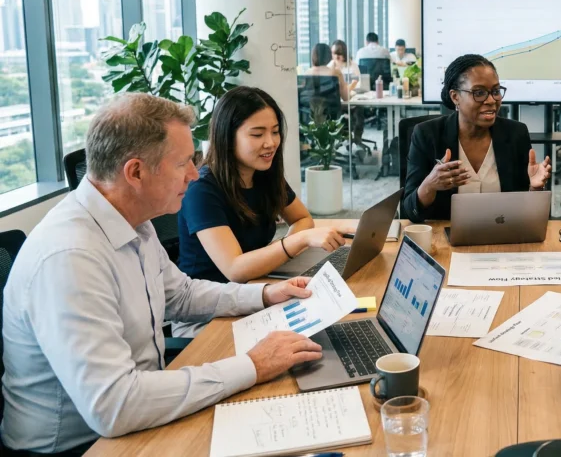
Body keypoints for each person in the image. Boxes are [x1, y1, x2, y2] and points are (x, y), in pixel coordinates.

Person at [1, 94, 323, 455]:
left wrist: (263, 296)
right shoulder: (70, 258)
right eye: (183, 162)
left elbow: (179, 294)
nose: (193, 174)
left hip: (140, 407)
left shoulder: (132, 220)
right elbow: (114, 406)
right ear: (135, 172)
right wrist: (251, 365)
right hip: (82, 446)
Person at [177, 86, 350, 288]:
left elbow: (302, 219)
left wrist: (277, 255)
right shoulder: (201, 189)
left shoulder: (263, 173)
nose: (270, 143)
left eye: (275, 132)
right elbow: (235, 269)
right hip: (209, 309)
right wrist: (295, 243)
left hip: (256, 287)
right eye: (258, 135)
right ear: (228, 137)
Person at [403, 54, 552, 222]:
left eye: (495, 91)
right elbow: (409, 211)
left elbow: (528, 214)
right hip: (445, 240)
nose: (491, 100)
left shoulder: (516, 133)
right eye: (479, 93)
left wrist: (534, 188)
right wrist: (429, 185)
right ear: (455, 97)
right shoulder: (427, 134)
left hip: (503, 238)